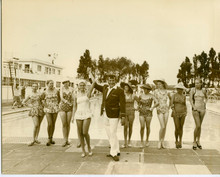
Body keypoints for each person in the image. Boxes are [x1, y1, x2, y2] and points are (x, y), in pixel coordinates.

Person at [93, 72, 126, 161]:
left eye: (113, 80)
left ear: (116, 81)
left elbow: (123, 104)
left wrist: (123, 116)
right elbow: (95, 85)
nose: (111, 82)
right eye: (110, 80)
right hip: (105, 113)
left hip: (114, 114)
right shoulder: (105, 88)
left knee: (112, 132)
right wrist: (90, 75)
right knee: (109, 133)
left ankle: (114, 153)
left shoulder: (120, 90)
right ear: (107, 80)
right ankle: (117, 149)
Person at [72, 79, 95, 157]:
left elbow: (94, 83)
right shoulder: (75, 94)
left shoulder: (88, 93)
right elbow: (74, 106)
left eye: (83, 85)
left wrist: (91, 74)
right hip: (78, 114)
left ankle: (89, 147)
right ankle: (83, 150)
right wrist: (73, 116)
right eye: (80, 85)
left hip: (87, 113)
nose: (82, 86)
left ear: (85, 86)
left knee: (85, 132)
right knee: (80, 133)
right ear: (78, 86)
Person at [189, 78, 208, 150]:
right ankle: (194, 141)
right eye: (195, 83)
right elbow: (190, 99)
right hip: (195, 109)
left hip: (202, 109)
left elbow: (206, 97)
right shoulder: (193, 90)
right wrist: (193, 107)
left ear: (201, 83)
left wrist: (205, 102)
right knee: (198, 125)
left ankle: (198, 141)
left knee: (200, 126)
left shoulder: (203, 90)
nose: (196, 84)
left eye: (198, 83)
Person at [41, 80, 60, 146]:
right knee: (50, 123)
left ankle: (51, 138)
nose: (51, 85)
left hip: (55, 108)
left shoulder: (57, 91)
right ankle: (48, 138)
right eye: (50, 83)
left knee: (53, 124)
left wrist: (56, 105)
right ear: (47, 84)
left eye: (52, 83)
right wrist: (46, 106)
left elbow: (59, 99)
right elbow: (42, 99)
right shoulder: (44, 92)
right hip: (48, 108)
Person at [153, 78, 171, 149]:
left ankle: (163, 140)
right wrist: (156, 107)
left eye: (160, 84)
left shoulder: (167, 92)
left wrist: (169, 106)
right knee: (162, 126)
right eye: (157, 84)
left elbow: (171, 99)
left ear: (163, 84)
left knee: (165, 126)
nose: (158, 85)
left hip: (166, 109)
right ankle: (159, 141)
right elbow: (155, 101)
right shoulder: (155, 91)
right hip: (159, 109)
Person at [120, 82, 138, 148]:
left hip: (131, 112)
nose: (125, 88)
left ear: (129, 88)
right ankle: (125, 142)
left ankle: (129, 141)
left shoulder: (133, 95)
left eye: (126, 87)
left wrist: (136, 108)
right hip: (124, 112)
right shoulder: (122, 94)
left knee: (130, 126)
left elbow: (140, 101)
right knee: (125, 126)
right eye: (124, 87)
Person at [170, 83, 187, 149]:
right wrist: (173, 110)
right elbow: (171, 104)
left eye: (181, 89)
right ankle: (176, 140)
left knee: (181, 127)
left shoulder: (184, 96)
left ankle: (180, 140)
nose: (179, 90)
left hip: (183, 113)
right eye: (178, 89)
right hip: (176, 113)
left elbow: (185, 105)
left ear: (183, 89)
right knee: (177, 127)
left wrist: (186, 112)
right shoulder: (174, 95)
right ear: (177, 89)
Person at [59, 80, 74, 147]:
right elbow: (61, 98)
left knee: (68, 123)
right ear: (63, 83)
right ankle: (64, 139)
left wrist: (73, 104)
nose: (66, 84)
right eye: (64, 83)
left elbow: (73, 98)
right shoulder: (61, 89)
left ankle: (67, 139)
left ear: (69, 83)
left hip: (70, 107)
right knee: (64, 123)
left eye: (67, 82)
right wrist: (68, 102)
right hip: (63, 106)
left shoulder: (72, 89)